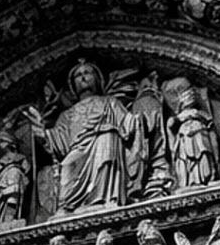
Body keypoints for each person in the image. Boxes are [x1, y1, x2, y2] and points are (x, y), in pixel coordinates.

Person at [27, 60, 142, 213]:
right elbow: (59, 141)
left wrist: (141, 116)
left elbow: (127, 125)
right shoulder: (67, 115)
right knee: (67, 165)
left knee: (106, 139)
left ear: (97, 79)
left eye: (87, 73)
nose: (83, 78)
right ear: (73, 84)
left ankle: (104, 198)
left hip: (105, 144)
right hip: (78, 151)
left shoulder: (110, 102)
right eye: (78, 75)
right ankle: (68, 207)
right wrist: (43, 133)